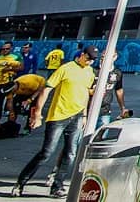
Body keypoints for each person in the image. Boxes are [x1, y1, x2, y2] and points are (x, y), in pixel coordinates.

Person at [10, 46, 98, 198]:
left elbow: (85, 93)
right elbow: (46, 89)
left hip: (76, 116)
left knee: (70, 154)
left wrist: (84, 115)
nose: (90, 62)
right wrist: (37, 114)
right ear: (82, 55)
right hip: (58, 116)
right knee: (46, 152)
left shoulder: (90, 72)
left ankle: (57, 186)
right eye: (89, 58)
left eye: (93, 60)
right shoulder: (66, 68)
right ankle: (21, 182)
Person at [92, 52, 127, 129]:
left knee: (102, 134)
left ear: (114, 58)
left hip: (105, 110)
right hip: (90, 108)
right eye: (102, 57)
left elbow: (119, 90)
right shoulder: (93, 70)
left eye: (106, 57)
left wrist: (123, 108)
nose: (103, 59)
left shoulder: (117, 73)